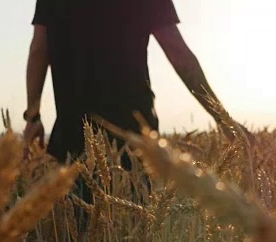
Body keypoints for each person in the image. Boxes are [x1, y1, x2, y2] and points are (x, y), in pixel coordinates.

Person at [22, 0, 246, 168]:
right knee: (133, 224)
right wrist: (221, 118)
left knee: (77, 227)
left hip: (73, 134)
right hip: (135, 134)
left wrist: (33, 115)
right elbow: (178, 54)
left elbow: (39, 50)